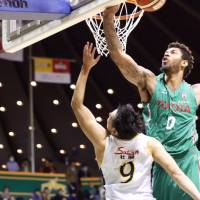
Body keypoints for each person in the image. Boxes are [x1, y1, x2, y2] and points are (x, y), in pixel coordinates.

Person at [71, 42, 200, 200]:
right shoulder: (149, 144)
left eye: (110, 115)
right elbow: (176, 173)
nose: (109, 113)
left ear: (114, 130)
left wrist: (85, 69)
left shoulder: (104, 143)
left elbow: (77, 106)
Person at [103, 5, 200, 200]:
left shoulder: (194, 91)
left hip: (189, 162)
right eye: (166, 51)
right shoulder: (150, 82)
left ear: (184, 63)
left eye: (172, 52)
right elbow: (118, 56)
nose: (166, 53)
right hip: (161, 165)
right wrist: (108, 17)